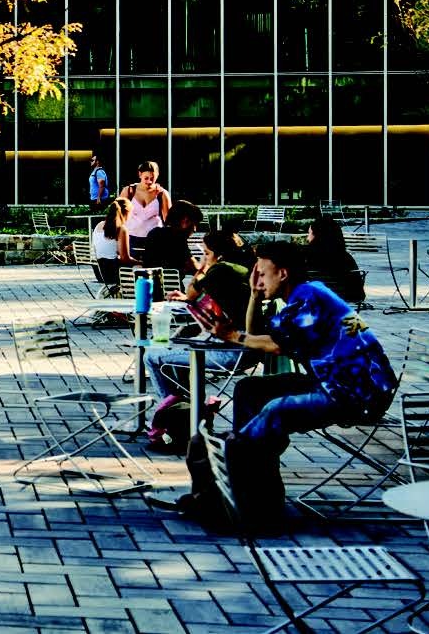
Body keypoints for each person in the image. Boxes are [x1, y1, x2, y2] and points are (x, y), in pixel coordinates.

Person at [157, 240, 399, 527]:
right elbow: (253, 336)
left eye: (261, 271)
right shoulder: (302, 296)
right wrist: (253, 297)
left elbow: (273, 345)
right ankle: (245, 487)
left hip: (355, 394)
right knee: (249, 389)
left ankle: (242, 494)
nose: (256, 277)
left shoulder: (309, 296)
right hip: (331, 382)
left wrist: (231, 336)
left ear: (282, 273)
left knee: (275, 410)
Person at [144, 230, 260, 437]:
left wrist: (204, 266)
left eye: (206, 252)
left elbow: (192, 292)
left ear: (218, 254)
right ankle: (189, 416)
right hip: (252, 347)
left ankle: (173, 418)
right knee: (177, 356)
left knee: (151, 355)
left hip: (232, 349)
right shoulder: (243, 267)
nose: (203, 257)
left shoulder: (220, 271)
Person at [304, 217, 366, 304]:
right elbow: (359, 294)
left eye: (309, 233)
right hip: (343, 304)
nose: (307, 238)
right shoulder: (347, 259)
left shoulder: (305, 257)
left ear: (316, 235)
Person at [119, 161, 172, 261]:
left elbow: (169, 220)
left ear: (157, 176)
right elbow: (117, 214)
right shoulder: (129, 191)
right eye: (146, 178)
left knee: (152, 268)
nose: (149, 181)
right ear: (140, 174)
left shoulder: (162, 194)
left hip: (155, 240)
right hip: (130, 237)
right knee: (131, 270)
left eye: (152, 178)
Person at [140, 201, 202, 279]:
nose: (195, 229)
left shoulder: (153, 233)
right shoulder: (178, 238)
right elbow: (194, 268)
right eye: (195, 224)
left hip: (150, 286)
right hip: (172, 288)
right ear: (185, 220)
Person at [90, 197, 129, 292]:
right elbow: (125, 258)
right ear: (126, 212)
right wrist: (140, 262)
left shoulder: (99, 225)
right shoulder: (121, 229)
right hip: (115, 272)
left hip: (99, 272)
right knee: (143, 268)